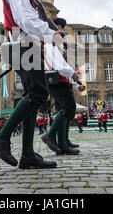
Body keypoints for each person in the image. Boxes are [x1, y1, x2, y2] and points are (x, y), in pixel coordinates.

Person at [0, 0, 62, 169]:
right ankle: (2, 136)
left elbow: (28, 21)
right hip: (22, 44)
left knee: (34, 95)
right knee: (38, 93)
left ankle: (28, 155)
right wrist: (50, 34)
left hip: (26, 45)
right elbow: (25, 21)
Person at [40, 18, 84, 155]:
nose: (61, 31)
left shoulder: (59, 47)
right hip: (56, 80)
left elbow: (67, 67)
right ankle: (51, 136)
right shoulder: (50, 43)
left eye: (61, 29)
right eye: (57, 28)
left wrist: (76, 84)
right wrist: (72, 74)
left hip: (62, 80)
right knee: (67, 108)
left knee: (66, 109)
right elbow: (58, 65)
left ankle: (63, 143)